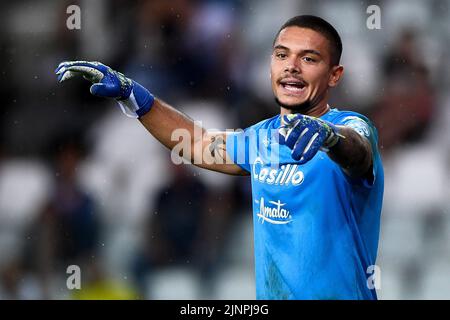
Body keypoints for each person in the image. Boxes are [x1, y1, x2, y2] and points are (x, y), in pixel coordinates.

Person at [55, 15, 384, 300]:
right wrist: (134, 97)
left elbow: (359, 152)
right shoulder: (261, 138)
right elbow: (196, 144)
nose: (292, 67)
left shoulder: (350, 126)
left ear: (335, 74)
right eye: (282, 55)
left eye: (309, 59)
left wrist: (331, 138)